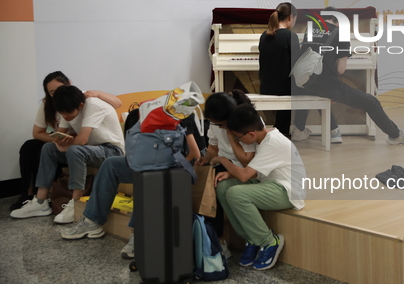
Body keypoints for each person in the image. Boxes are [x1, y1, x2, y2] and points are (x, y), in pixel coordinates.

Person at [60, 109, 202, 259]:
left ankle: (139, 234)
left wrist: (170, 169)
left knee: (147, 175)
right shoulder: (144, 121)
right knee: (111, 164)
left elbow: (194, 154)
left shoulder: (179, 117)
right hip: (150, 162)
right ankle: (92, 221)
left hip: (176, 169)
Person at [292, 7, 404, 145]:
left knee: (317, 91)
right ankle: (396, 135)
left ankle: (306, 130)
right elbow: (341, 70)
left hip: (304, 81)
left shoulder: (309, 30)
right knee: (372, 102)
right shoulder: (340, 34)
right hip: (326, 85)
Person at [11, 85, 125, 224]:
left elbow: (82, 140)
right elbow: (60, 134)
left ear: (81, 105)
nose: (65, 116)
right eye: (62, 113)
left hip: (112, 150)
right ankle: (40, 202)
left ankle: (75, 203)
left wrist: (66, 146)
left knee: (75, 150)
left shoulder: (93, 105)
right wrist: (59, 141)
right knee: (48, 148)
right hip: (91, 149)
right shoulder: (65, 105)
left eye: (68, 113)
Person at [214, 103, 306, 270]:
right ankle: (252, 238)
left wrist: (222, 160)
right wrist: (230, 173)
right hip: (269, 183)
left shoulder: (272, 142)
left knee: (236, 193)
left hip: (287, 190)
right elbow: (254, 173)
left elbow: (244, 175)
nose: (238, 141)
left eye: (238, 137)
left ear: (250, 133)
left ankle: (269, 241)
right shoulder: (263, 138)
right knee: (223, 187)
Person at [199, 90, 258, 257]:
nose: (217, 127)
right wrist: (205, 158)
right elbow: (213, 148)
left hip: (244, 167)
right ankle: (208, 237)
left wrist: (230, 135)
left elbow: (248, 161)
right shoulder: (216, 122)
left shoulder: (248, 121)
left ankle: (219, 241)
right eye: (214, 124)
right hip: (223, 162)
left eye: (220, 124)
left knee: (214, 185)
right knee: (197, 177)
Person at [258, 2, 301, 137]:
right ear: (290, 18)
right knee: (308, 87)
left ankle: (280, 129)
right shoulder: (290, 36)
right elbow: (297, 65)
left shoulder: (264, 35)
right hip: (284, 89)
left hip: (266, 87)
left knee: (285, 82)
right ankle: (297, 130)